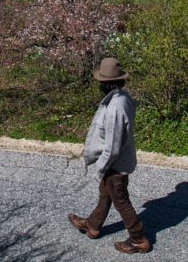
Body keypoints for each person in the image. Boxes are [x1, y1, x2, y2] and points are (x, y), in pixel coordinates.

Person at [68, 58, 151, 254]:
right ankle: (92, 225)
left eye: (101, 81)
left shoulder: (115, 107)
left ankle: (139, 238)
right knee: (106, 192)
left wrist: (101, 167)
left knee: (120, 199)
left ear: (107, 83)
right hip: (121, 158)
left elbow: (113, 146)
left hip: (116, 162)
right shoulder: (123, 97)